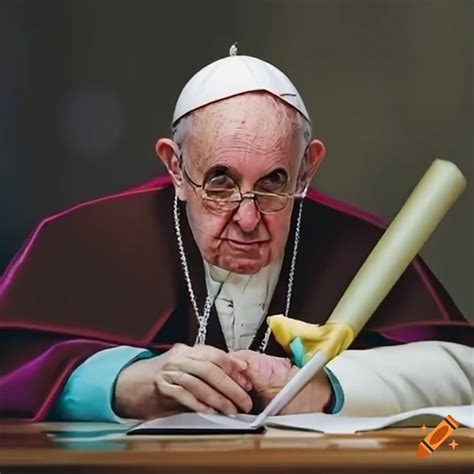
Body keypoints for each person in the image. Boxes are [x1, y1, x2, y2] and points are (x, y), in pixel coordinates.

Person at [0, 50, 472, 423]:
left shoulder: (357, 245)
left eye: (273, 183)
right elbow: (13, 365)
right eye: (220, 182)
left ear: (307, 168)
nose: (247, 219)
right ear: (175, 168)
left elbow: (462, 372)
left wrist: (327, 385)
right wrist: (124, 383)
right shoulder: (87, 238)